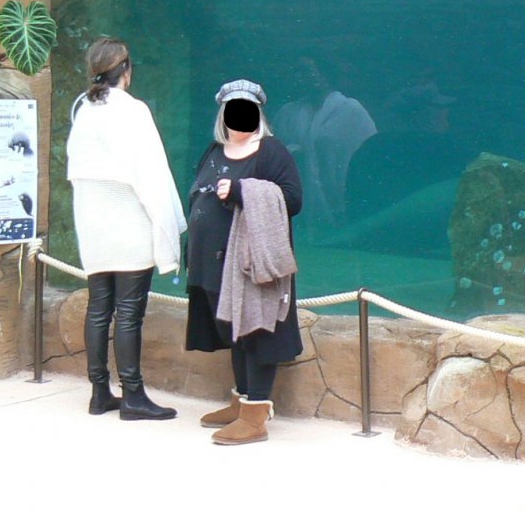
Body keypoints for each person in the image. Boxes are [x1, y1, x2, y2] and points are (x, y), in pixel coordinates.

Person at [65, 37, 187, 421]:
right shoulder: (133, 111)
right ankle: (133, 395)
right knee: (129, 311)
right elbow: (151, 174)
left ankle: (99, 392)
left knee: (99, 306)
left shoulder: (82, 111)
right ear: (126, 71)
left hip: (94, 223)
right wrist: (168, 226)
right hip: (129, 223)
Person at [186, 79, 304, 445]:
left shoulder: (271, 152)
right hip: (211, 263)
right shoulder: (214, 150)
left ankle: (256, 414)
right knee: (232, 332)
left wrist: (242, 191)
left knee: (255, 332)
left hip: (251, 264)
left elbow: (292, 200)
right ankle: (241, 400)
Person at [271, 54, 376, 234]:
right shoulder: (288, 112)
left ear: (325, 73)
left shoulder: (350, 110)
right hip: (301, 200)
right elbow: (272, 151)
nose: (301, 77)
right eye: (298, 72)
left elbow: (370, 151)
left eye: (307, 71)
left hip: (340, 195)